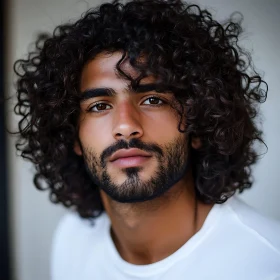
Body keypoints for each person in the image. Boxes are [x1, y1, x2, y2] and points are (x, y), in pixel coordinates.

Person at [13, 0, 280, 279]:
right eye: (99, 106)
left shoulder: (266, 262)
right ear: (73, 137)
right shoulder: (72, 240)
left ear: (198, 124)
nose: (126, 126)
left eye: (153, 100)